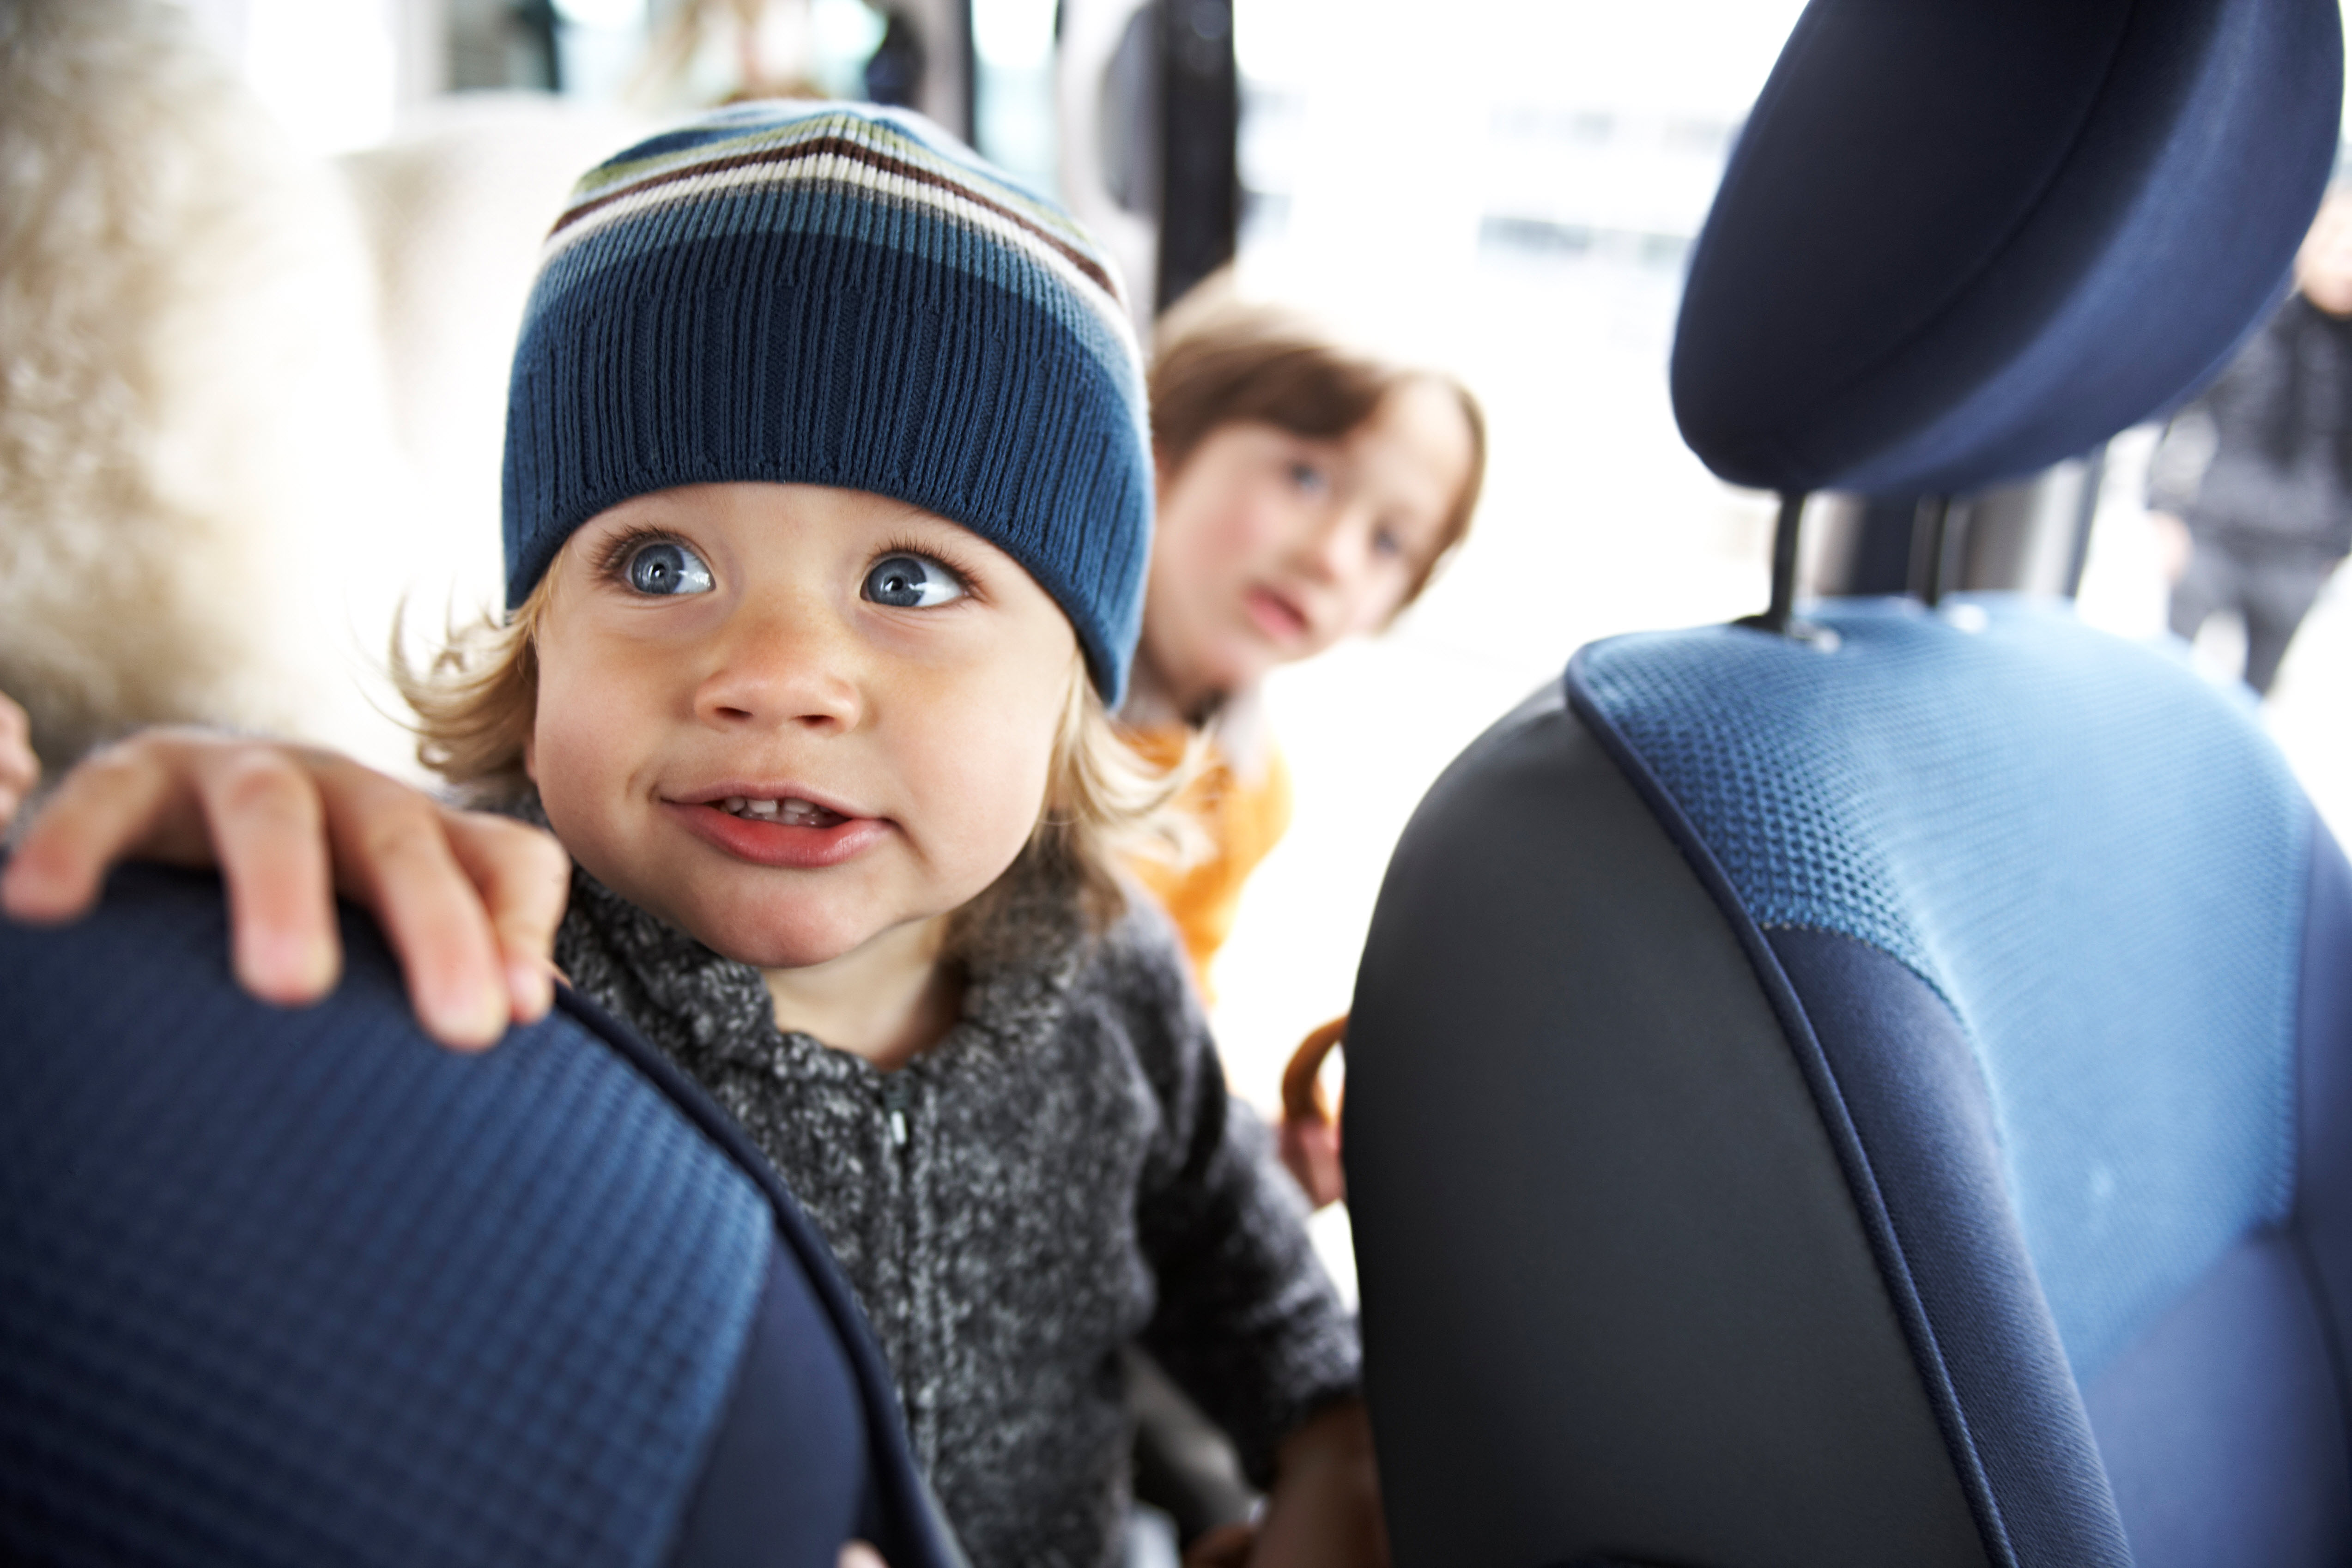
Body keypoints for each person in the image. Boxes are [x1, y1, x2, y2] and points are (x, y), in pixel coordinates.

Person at [2, 103, 1379, 1568]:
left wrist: (1329, 1448)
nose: (773, 673)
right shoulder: (478, 968)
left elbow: (1244, 1274)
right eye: (659, 564)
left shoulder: (1114, 976)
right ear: (538, 643)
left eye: (910, 582)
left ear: (1071, 692)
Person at [1121, 284, 1485, 1002]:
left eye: (1389, 542)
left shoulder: (1252, 791)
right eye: (1306, 476)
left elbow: (1177, 997)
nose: (1335, 558)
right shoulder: (1021, 683)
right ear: (1157, 454)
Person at [2147, 191, 2352, 696]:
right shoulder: (2251, 317)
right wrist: (2163, 509)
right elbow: (2182, 415)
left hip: (2300, 554)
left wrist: (2336, 548)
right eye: (2335, 242)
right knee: (2168, 677)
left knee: (2257, 691)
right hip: (2214, 535)